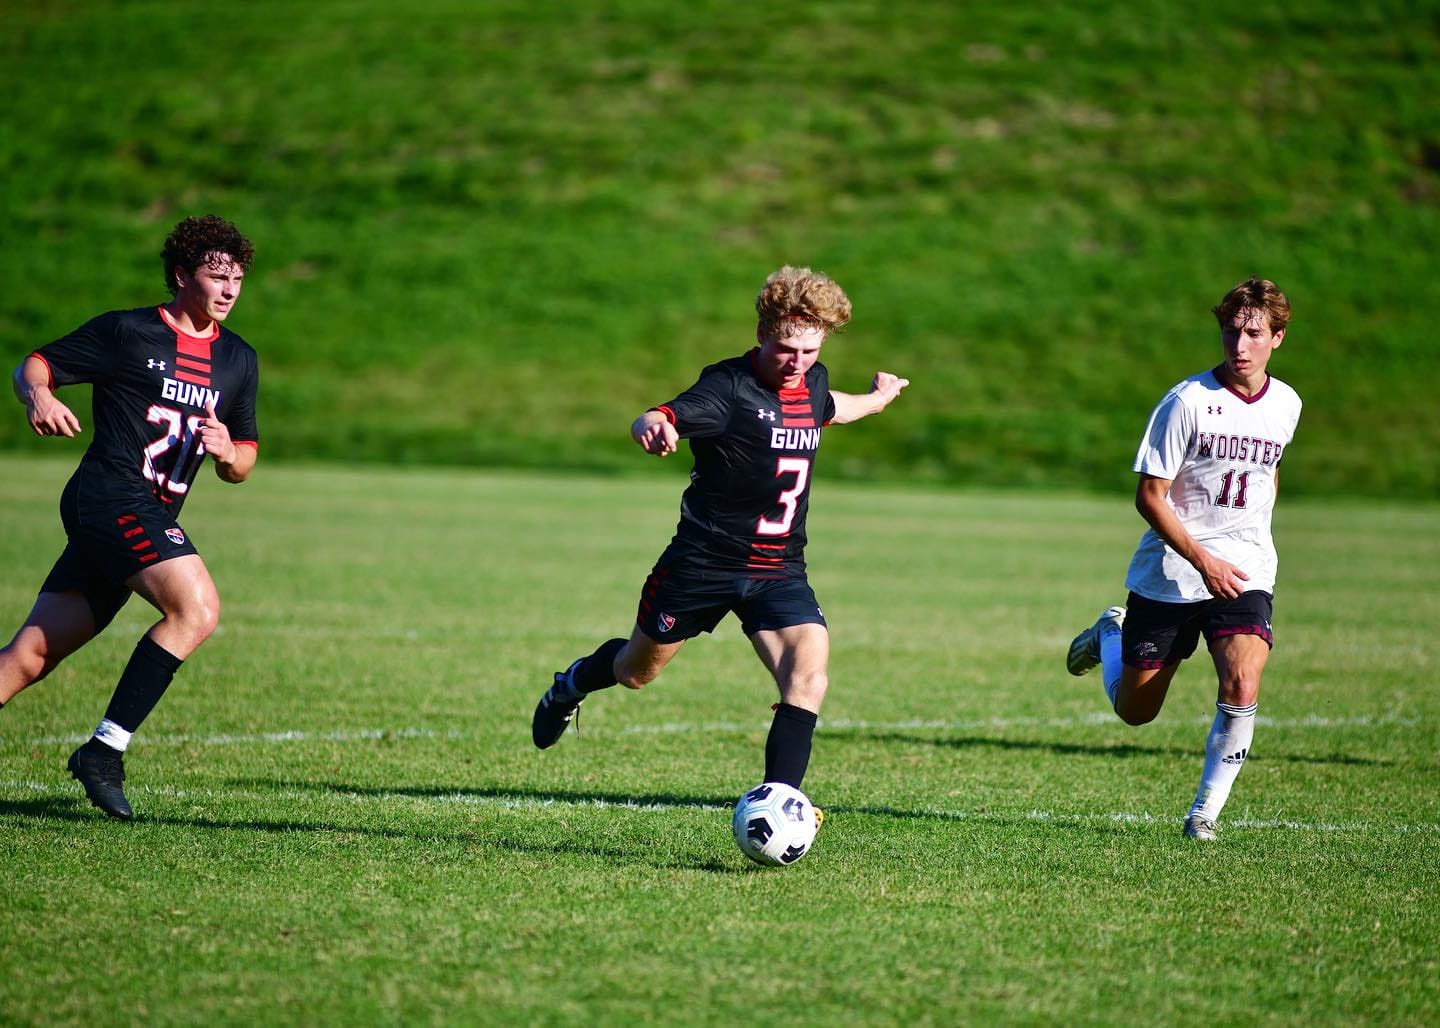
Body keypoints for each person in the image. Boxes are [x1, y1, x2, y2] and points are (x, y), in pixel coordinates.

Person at [531, 265, 908, 803]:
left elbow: (830, 409)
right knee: (637, 672)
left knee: (809, 679)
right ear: (761, 333)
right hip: (702, 565)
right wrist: (652, 426)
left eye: (809, 351)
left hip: (779, 569)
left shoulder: (812, 381)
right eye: (785, 349)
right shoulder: (728, 388)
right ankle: (571, 683)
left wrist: (877, 399)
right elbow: (665, 413)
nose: (797, 363)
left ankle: (779, 803)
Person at [1, 215, 260, 820]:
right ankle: (104, 752)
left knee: (30, 657)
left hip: (147, 512)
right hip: (110, 495)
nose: (228, 290)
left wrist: (227, 454)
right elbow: (33, 365)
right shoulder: (128, 332)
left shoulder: (239, 360)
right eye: (215, 276)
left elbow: (244, 458)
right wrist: (39, 394)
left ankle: (100, 752)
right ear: (180, 276)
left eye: (238, 280)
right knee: (196, 609)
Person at [1065, 277, 1302, 841]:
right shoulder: (1188, 402)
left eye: (1252, 333)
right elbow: (1150, 496)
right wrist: (1203, 560)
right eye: (1229, 331)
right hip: (1173, 571)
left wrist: (1245, 548)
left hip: (1245, 569)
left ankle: (1204, 815)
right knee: (1137, 711)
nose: (1238, 344)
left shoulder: (1287, 404)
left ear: (1277, 337)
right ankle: (1110, 635)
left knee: (1242, 682)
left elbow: (1266, 474)